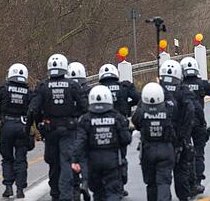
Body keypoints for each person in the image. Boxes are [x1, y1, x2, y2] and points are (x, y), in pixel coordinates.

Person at [29, 54, 87, 201]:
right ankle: (66, 195)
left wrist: (37, 125)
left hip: (50, 131)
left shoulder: (42, 86)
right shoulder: (72, 85)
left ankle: (55, 194)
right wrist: (76, 119)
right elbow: (85, 106)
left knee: (53, 164)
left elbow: (33, 110)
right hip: (68, 130)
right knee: (66, 162)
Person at [71, 85, 131, 201]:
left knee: (98, 194)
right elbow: (126, 139)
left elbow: (80, 142)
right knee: (113, 191)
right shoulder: (116, 117)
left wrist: (75, 160)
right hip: (112, 161)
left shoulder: (85, 119)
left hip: (93, 163)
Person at [0, 63, 32, 198]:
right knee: (21, 159)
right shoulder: (28, 92)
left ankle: (8, 187)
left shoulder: (4, 89)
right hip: (22, 126)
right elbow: (36, 108)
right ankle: (20, 189)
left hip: (7, 125)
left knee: (7, 158)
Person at [180, 57, 210, 195]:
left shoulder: (180, 86)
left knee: (185, 153)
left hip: (184, 123)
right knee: (199, 152)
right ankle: (198, 181)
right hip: (199, 121)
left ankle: (189, 181)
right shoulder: (202, 83)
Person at [98, 64, 140, 196]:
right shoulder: (124, 87)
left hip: (101, 126)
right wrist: (128, 105)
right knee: (121, 156)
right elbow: (139, 98)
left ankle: (104, 186)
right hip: (121, 126)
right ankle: (120, 186)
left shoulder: (97, 89)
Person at [159, 60, 196, 201]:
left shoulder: (156, 90)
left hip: (161, 140)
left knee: (162, 175)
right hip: (179, 139)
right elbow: (192, 111)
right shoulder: (183, 91)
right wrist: (184, 137)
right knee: (181, 171)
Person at [132, 82, 176, 201]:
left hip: (148, 150)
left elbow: (135, 121)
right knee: (164, 182)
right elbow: (173, 103)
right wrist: (164, 88)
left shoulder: (141, 112)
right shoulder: (167, 110)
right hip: (166, 149)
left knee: (151, 184)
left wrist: (142, 103)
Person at [66, 62, 91, 201]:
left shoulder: (67, 89)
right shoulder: (89, 91)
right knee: (85, 157)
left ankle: (75, 187)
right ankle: (85, 183)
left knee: (72, 157)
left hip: (69, 128)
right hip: (85, 127)